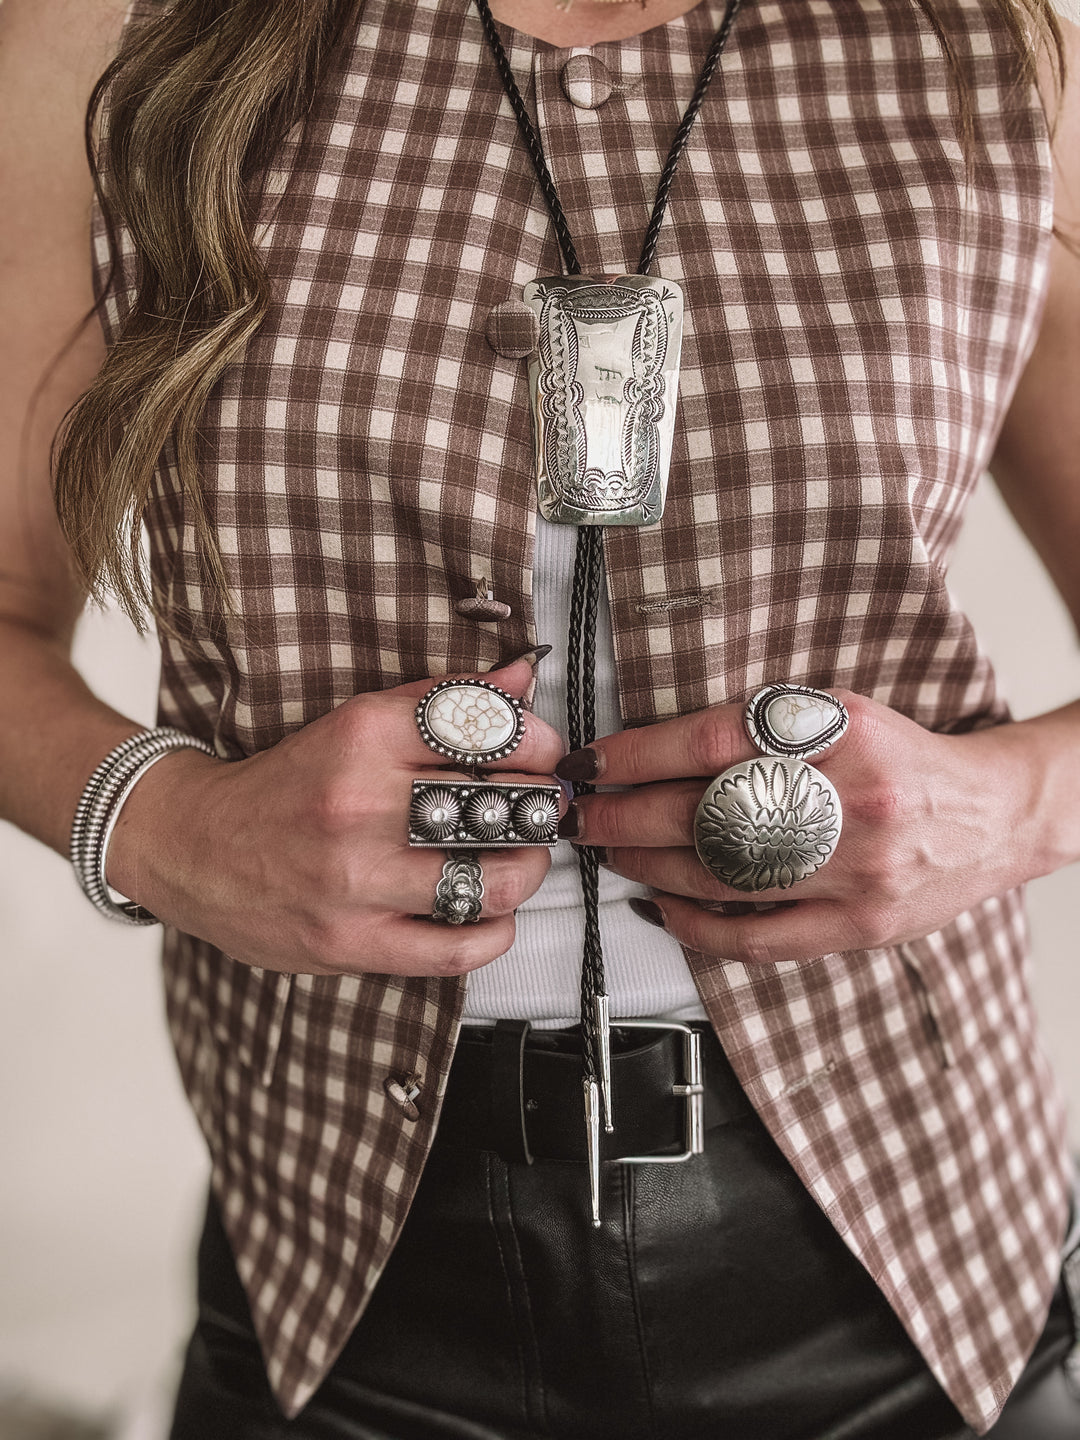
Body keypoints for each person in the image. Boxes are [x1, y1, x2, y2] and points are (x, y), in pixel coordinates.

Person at [2, 0, 1079, 1434]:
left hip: (919, 1246)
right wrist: (168, 827)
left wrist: (1005, 807)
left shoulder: (999, 40)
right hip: (338, 1256)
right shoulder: (112, 28)